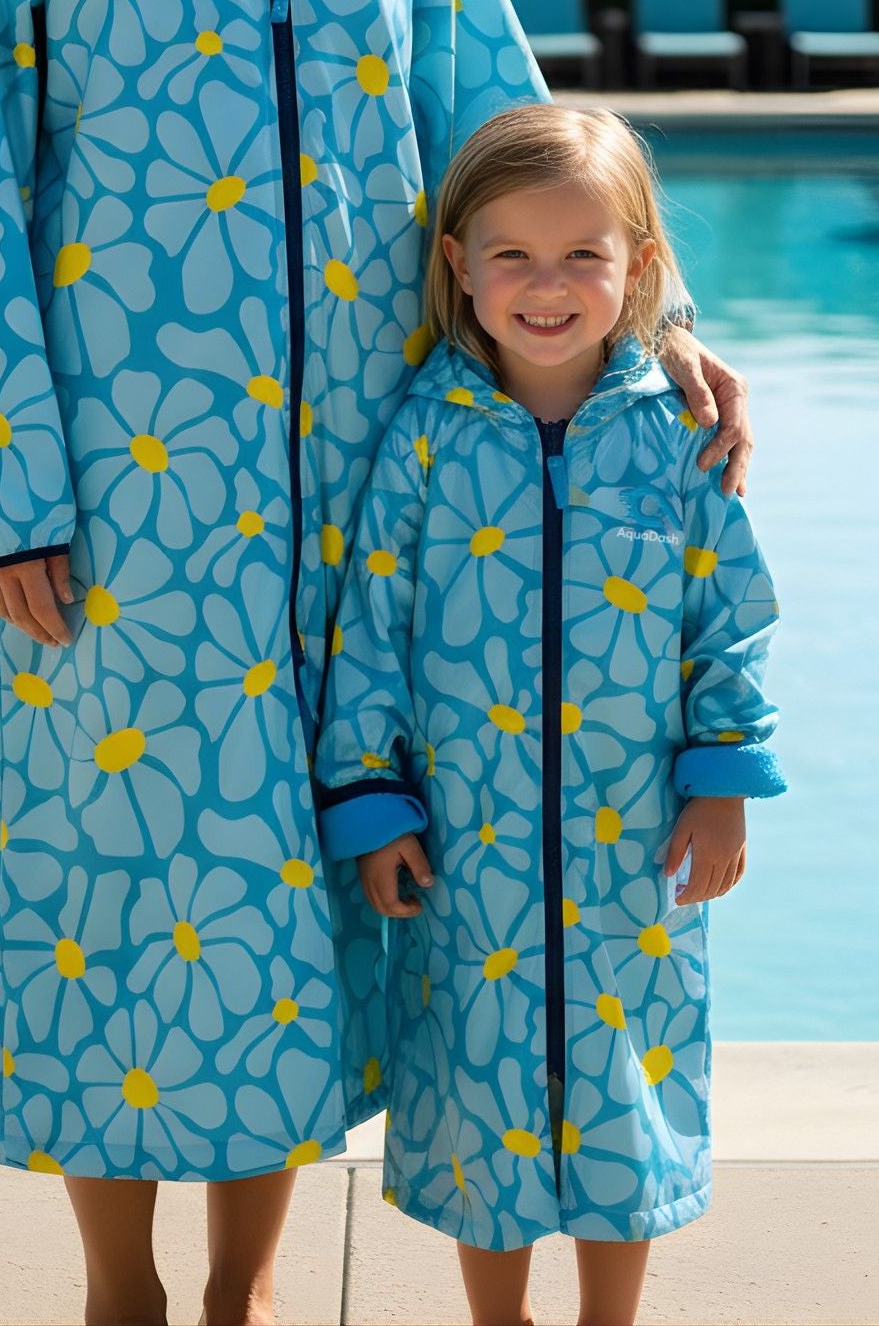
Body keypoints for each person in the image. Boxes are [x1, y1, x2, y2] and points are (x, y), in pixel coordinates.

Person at [0, 0, 756, 1326]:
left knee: (293, 890)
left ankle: (243, 1293)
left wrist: (663, 321)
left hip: (366, 479)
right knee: (123, 876)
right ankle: (123, 1289)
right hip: (116, 482)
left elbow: (492, 109)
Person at [313, 101, 786, 1326]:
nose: (546, 283)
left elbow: (728, 616)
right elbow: (370, 627)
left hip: (635, 844)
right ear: (459, 264)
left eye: (583, 253)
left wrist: (723, 779)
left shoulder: (677, 437)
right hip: (470, 853)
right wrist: (371, 800)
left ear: (639, 264)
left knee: (625, 1082)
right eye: (512, 254)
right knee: (482, 1086)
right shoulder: (424, 435)